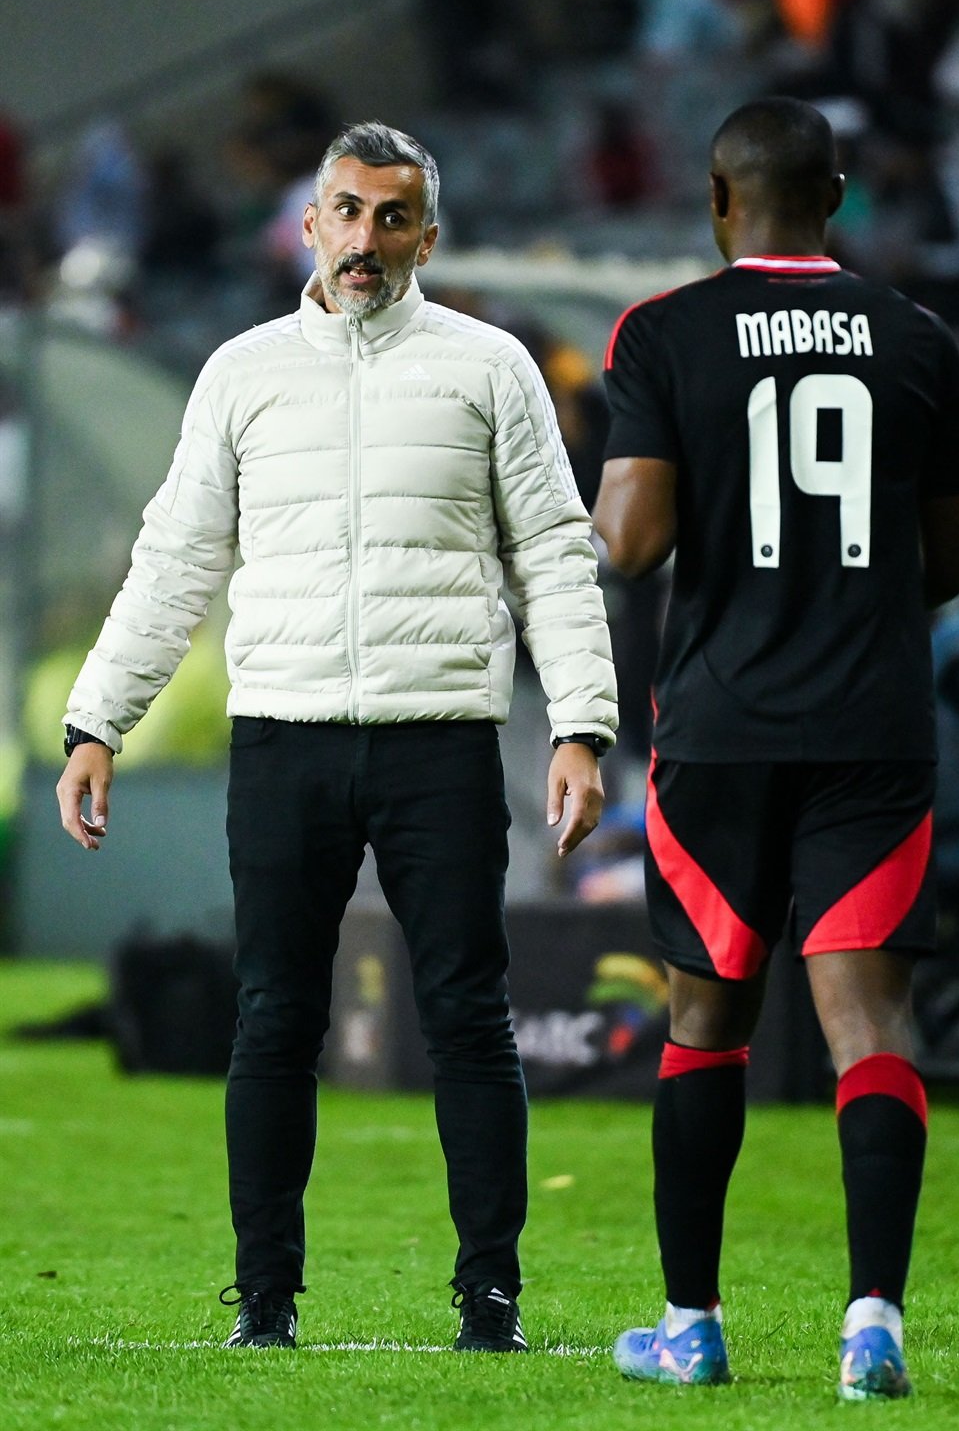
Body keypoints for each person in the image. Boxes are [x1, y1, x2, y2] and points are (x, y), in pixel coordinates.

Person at [56, 120, 617, 1353]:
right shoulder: (241, 372)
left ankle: (491, 1298)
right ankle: (264, 1304)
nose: (366, 240)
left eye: (392, 217)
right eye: (347, 213)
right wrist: (98, 716)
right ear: (310, 225)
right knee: (273, 1021)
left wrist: (580, 723)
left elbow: (554, 559)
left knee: (468, 1018)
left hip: (442, 742)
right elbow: (175, 560)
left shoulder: (490, 367)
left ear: (428, 232)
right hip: (284, 741)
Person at [594, 97, 959, 1400]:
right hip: (871, 726)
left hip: (721, 728)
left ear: (717, 198)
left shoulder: (661, 335)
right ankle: (874, 1322)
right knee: (871, 1019)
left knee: (706, 1017)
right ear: (841, 195)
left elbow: (633, 544)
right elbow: (948, 564)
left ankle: (690, 1326)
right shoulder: (919, 341)